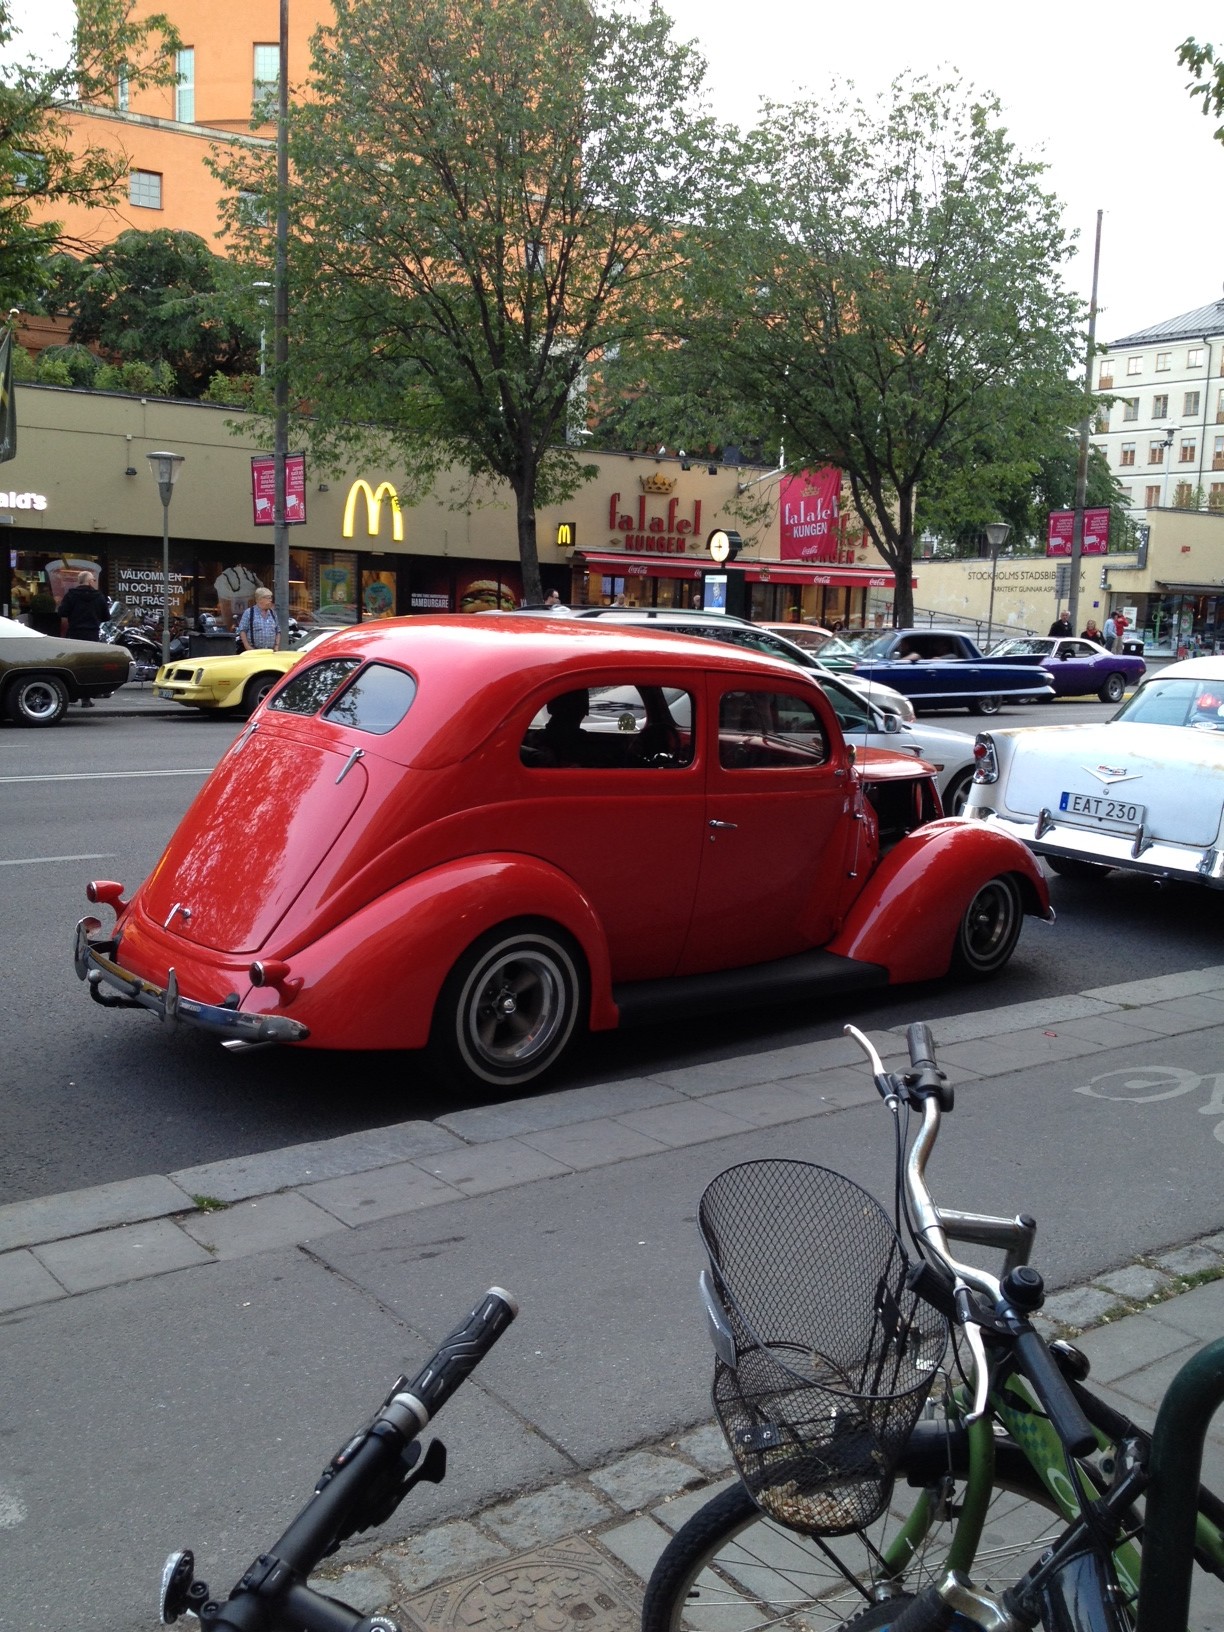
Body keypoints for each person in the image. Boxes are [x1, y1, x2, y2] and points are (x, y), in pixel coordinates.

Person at [237, 587, 281, 652]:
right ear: (260, 599)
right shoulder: (249, 612)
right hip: (254, 652)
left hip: (270, 652)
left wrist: (276, 646)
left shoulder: (272, 613)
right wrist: (247, 647)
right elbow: (242, 630)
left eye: (271, 598)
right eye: (268, 598)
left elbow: (278, 631)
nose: (271, 600)